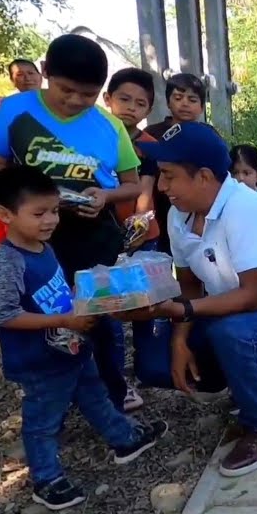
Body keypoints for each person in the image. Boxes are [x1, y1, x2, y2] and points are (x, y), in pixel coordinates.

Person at [125, 122, 257, 477]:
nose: (162, 186)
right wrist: (180, 340)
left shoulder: (243, 209)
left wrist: (182, 311)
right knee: (154, 362)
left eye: (169, 175)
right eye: (159, 175)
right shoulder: (178, 214)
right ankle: (245, 380)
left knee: (234, 334)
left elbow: (253, 297)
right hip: (231, 314)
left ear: (203, 176)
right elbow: (187, 285)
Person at [0, 166, 167, 511]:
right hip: (39, 361)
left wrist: (90, 296)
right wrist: (64, 318)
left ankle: (124, 439)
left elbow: (57, 290)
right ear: (5, 215)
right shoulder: (9, 262)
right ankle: (46, 479)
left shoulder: (45, 248)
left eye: (54, 211)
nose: (50, 220)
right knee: (43, 421)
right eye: (38, 213)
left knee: (96, 396)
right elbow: (4, 314)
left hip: (71, 347)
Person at [0, 33, 145, 414]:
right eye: (66, 89)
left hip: (91, 233)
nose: (75, 101)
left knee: (100, 316)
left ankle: (113, 389)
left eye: (87, 94)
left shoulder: (109, 126)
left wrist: (104, 197)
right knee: (45, 313)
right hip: (32, 238)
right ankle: (56, 392)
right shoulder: (16, 110)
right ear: (45, 73)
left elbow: (132, 183)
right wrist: (15, 204)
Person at [103, 67, 165, 399]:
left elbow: (147, 187)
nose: (131, 107)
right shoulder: (97, 137)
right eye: (124, 99)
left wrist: (139, 226)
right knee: (108, 307)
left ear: (147, 110)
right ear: (107, 99)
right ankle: (115, 380)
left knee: (145, 301)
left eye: (140, 103)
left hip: (143, 232)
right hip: (100, 235)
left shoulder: (150, 145)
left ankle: (148, 366)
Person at [146, 73, 215, 255]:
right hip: (161, 205)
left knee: (205, 254)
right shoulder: (152, 134)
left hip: (199, 206)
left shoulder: (208, 134)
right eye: (178, 98)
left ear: (201, 107)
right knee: (163, 257)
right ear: (168, 102)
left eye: (192, 99)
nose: (185, 103)